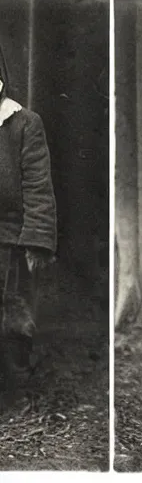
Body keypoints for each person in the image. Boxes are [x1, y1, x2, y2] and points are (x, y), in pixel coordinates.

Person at [0, 43, 57, 394]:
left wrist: (35, 239)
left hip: (10, 233)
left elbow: (38, 185)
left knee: (12, 309)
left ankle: (15, 378)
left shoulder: (23, 123)